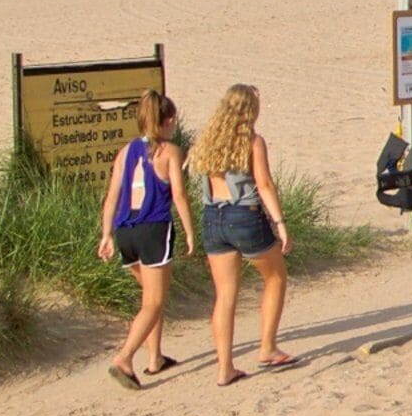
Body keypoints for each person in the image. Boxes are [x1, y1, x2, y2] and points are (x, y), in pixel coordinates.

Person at [187, 82, 298, 384]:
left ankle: (225, 367)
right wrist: (280, 222)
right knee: (275, 277)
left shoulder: (207, 142)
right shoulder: (252, 141)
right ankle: (268, 347)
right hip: (243, 214)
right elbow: (264, 185)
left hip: (213, 215)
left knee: (225, 294)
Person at [94, 92, 193, 390]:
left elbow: (112, 196)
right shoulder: (169, 152)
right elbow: (178, 195)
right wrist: (189, 231)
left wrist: (106, 234)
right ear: (169, 120)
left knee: (150, 296)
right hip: (153, 229)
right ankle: (124, 358)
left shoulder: (125, 152)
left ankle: (155, 358)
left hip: (126, 229)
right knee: (154, 300)